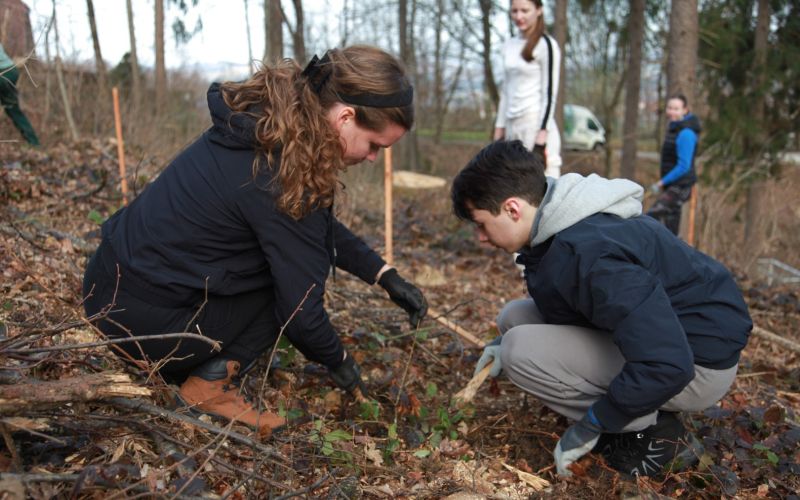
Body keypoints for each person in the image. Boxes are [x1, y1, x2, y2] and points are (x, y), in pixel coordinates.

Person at [82, 46, 428, 438]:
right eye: (375, 145)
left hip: (105, 290)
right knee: (289, 280)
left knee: (292, 259)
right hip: (142, 329)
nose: (373, 158)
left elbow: (310, 228)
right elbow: (301, 312)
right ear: (345, 117)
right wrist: (342, 363)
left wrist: (383, 274)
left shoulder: (264, 126)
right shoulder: (281, 173)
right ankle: (208, 388)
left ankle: (197, 365)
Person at [451, 140, 752, 477]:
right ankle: (634, 409)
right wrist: (498, 342)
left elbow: (668, 363)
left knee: (520, 351)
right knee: (513, 319)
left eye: (481, 224)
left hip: (697, 363)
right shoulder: (559, 219)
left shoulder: (592, 255)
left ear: (512, 209)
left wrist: (596, 422)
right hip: (669, 339)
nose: (480, 237)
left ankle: (655, 434)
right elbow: (578, 302)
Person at [493, 0, 562, 179]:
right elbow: (506, 92)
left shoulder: (546, 45)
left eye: (525, 10)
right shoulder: (509, 45)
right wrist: (499, 131)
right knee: (512, 184)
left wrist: (541, 140)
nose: (519, 16)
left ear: (538, 10)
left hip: (534, 125)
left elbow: (549, 93)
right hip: (512, 126)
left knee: (545, 184)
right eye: (514, 11)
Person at [647, 94, 701, 235]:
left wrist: (661, 183)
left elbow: (684, 166)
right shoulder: (674, 128)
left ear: (685, 110)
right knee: (670, 229)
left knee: (650, 217)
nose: (671, 112)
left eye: (676, 109)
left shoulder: (686, 133)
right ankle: (672, 247)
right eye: (669, 108)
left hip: (681, 186)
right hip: (672, 185)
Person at [0, 42, 40, 146]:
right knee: (12, 109)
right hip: (11, 72)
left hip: (5, 73)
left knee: (12, 108)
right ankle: (34, 143)